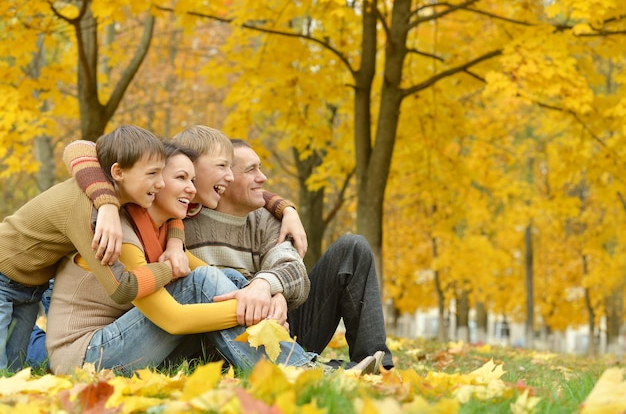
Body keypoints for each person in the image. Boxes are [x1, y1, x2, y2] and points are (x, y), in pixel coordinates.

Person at [51, 130, 380, 375]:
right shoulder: (135, 220)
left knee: (223, 276)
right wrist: (107, 203)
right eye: (182, 177)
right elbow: (87, 151)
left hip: (263, 323)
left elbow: (284, 265)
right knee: (204, 279)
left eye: (191, 180)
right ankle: (299, 373)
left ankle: (349, 365)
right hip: (99, 352)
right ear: (157, 177)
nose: (191, 187)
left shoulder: (186, 222)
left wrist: (268, 288)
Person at [181, 138, 394, 371]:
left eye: (260, 168)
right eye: (251, 170)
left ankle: (377, 366)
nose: (262, 178)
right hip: (214, 341)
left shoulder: (268, 219)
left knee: (352, 249)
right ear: (224, 179)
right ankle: (321, 369)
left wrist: (272, 289)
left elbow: (293, 268)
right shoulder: (180, 219)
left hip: (279, 333)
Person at [0, 124, 174, 371]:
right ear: (118, 172)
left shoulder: (104, 193)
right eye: (152, 174)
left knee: (11, 372)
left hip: (29, 289)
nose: (162, 183)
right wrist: (168, 269)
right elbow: (122, 289)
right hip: (3, 276)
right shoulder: (91, 215)